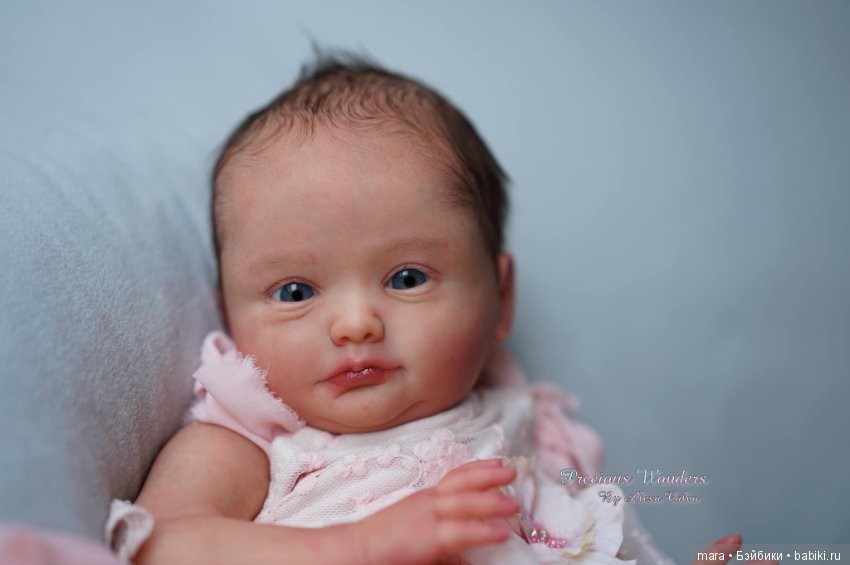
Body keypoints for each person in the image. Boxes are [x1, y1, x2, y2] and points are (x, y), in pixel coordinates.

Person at [107, 53, 776, 565]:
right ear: (230, 316)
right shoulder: (250, 443)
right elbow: (159, 545)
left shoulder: (530, 429)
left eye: (405, 277)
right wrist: (358, 544)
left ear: (500, 299)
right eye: (295, 292)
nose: (354, 323)